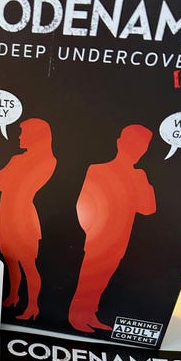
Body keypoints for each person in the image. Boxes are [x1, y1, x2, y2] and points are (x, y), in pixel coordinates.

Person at [69, 124, 155, 333]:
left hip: (120, 241)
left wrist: (142, 181)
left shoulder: (138, 176)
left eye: (142, 146)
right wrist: (92, 231)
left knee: (102, 280)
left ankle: (90, 314)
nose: (137, 150)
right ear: (119, 142)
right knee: (89, 278)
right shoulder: (98, 170)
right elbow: (82, 204)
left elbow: (148, 208)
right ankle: (76, 317)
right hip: (98, 238)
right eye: (133, 144)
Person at [0, 118, 57, 320]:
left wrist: (13, 178)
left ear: (36, 136)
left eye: (23, 132)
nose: (19, 136)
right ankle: (13, 296)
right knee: (10, 262)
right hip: (7, 216)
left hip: (23, 218)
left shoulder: (46, 160)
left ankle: (32, 306)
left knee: (28, 265)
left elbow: (8, 182)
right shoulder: (18, 159)